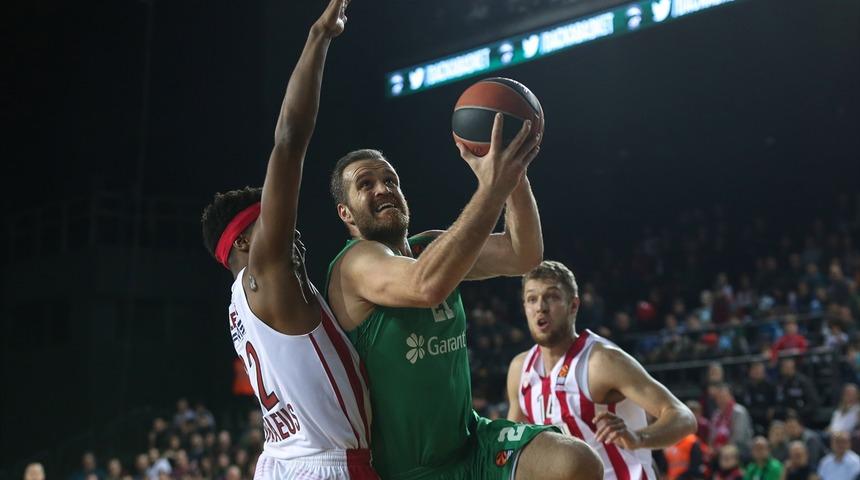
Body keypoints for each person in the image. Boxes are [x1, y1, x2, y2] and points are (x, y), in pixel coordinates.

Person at [325, 114, 602, 478]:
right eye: (366, 184)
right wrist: (491, 190)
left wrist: (512, 172)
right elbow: (425, 286)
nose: (383, 188)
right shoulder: (354, 263)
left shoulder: (432, 247)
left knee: (576, 463)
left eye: (390, 180)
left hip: (471, 443)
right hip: (409, 469)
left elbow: (524, 253)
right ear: (346, 213)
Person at [199, 1, 377, 478]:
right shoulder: (266, 272)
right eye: (272, 223)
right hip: (327, 465)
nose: (291, 231)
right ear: (243, 244)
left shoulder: (241, 305)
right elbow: (288, 141)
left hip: (281, 460)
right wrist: (318, 39)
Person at [507, 261, 697, 480]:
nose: (541, 306)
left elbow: (683, 417)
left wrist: (637, 437)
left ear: (573, 306)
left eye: (552, 296)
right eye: (532, 299)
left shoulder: (601, 361)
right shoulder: (520, 370)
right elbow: (511, 450)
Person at [710, 383, 754, 453]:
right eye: (718, 398)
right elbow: (712, 436)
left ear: (731, 397)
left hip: (739, 450)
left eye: (723, 397)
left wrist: (723, 449)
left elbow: (738, 437)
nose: (721, 400)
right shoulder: (716, 414)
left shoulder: (739, 412)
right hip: (719, 452)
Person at [741, 362, 776, 435]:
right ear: (750, 372)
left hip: (767, 420)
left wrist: (772, 409)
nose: (757, 373)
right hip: (751, 420)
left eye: (760, 371)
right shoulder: (745, 387)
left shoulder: (770, 386)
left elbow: (774, 404)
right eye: (755, 370)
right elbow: (745, 407)